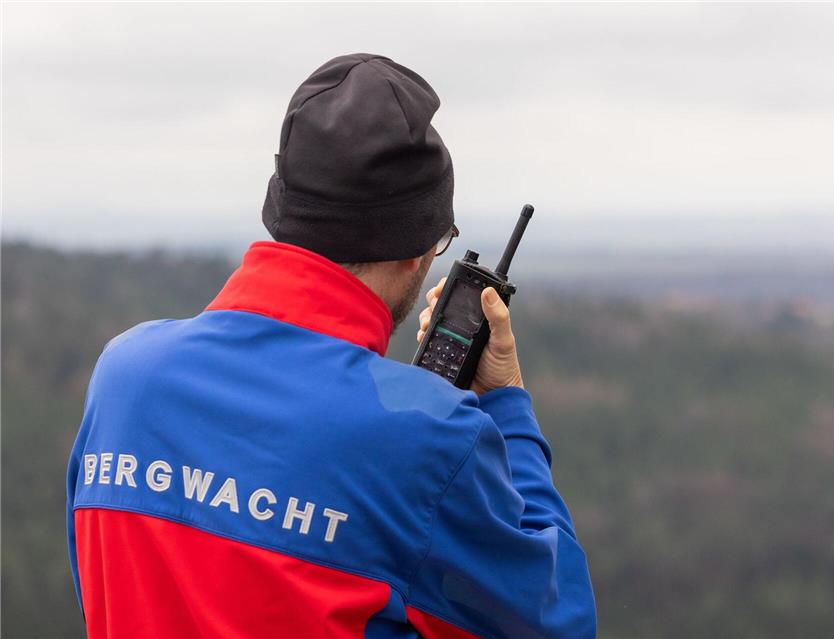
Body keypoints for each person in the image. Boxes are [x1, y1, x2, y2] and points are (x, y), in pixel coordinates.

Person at [66, 53, 596, 639]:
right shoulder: (431, 437)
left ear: (282, 211)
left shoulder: (124, 377)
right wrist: (507, 407)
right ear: (415, 248)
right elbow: (557, 621)